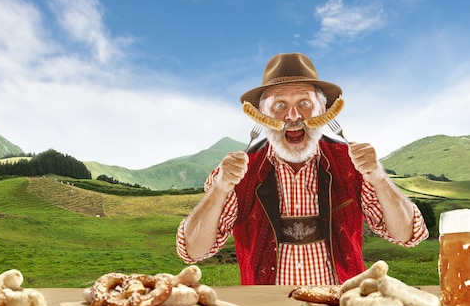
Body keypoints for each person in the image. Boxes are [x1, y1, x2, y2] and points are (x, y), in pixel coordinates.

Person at [175, 53, 428, 285]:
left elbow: (408, 235)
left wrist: (380, 178)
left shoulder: (352, 163)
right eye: (279, 105)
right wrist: (219, 189)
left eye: (305, 103)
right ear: (261, 115)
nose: (293, 116)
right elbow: (192, 250)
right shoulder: (239, 171)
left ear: (324, 110)